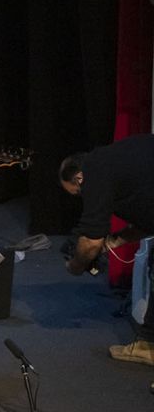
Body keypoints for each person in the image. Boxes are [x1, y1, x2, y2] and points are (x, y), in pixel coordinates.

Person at [59, 133, 154, 366]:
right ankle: (147, 345)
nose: (83, 198)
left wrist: (76, 266)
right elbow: (148, 219)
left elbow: (90, 239)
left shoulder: (96, 172)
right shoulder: (113, 162)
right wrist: (112, 243)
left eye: (78, 194)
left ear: (79, 178)